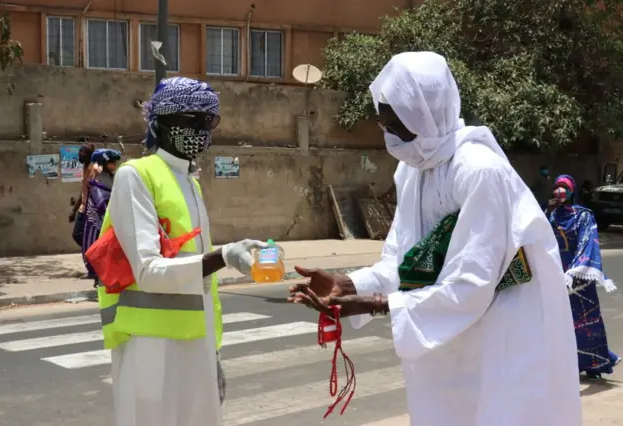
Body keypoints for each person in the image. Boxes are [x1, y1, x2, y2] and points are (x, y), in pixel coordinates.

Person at [288, 52, 581, 426]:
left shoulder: (479, 171)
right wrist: (348, 284)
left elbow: (471, 284)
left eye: (398, 125)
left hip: (501, 333)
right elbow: (404, 258)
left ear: (426, 113)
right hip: (443, 327)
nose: (389, 136)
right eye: (384, 124)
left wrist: (376, 304)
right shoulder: (413, 170)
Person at [96, 77, 268, 426]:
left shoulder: (189, 181)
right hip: (150, 350)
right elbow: (148, 270)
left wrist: (212, 354)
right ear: (161, 122)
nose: (203, 130)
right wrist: (223, 256)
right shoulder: (136, 176)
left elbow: (203, 288)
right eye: (193, 120)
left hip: (195, 345)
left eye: (210, 121)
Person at [548, 174, 620, 379]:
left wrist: (574, 271)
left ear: (572, 192)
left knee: (585, 323)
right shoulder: (549, 214)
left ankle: (595, 364)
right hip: (555, 276)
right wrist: (547, 213)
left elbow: (587, 243)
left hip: (578, 278)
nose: (560, 191)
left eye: (564, 188)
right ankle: (565, 364)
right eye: (557, 187)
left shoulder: (583, 216)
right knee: (560, 322)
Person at [83, 148, 121, 288]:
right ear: (105, 163)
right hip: (100, 224)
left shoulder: (113, 178)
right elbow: (101, 205)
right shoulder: (98, 182)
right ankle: (99, 280)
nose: (114, 165)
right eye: (111, 163)